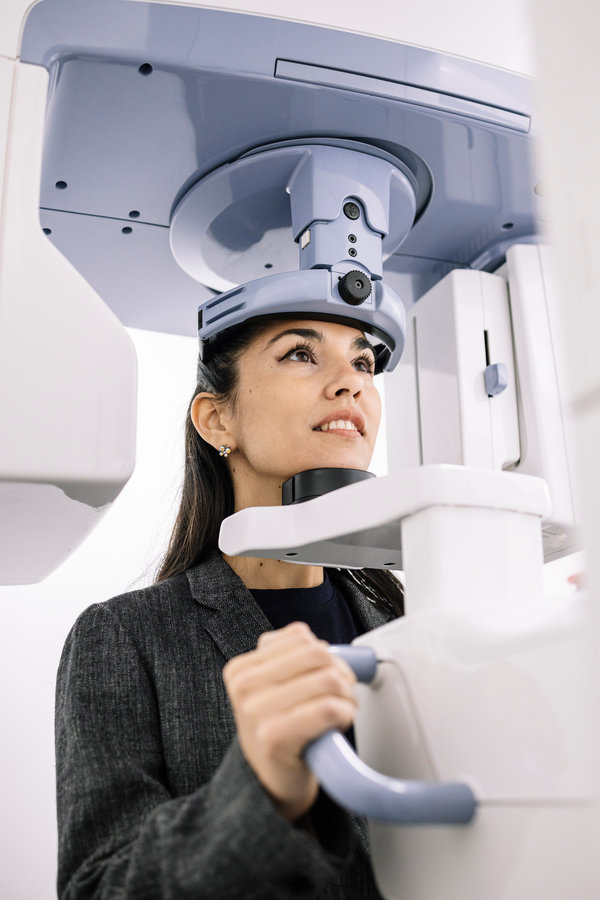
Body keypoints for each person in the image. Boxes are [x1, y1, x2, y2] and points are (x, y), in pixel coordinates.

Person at [55, 315, 405, 899]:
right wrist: (260, 792)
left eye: (364, 362)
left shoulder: (407, 628)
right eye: (301, 354)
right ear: (218, 419)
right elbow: (98, 889)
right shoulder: (124, 637)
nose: (352, 383)